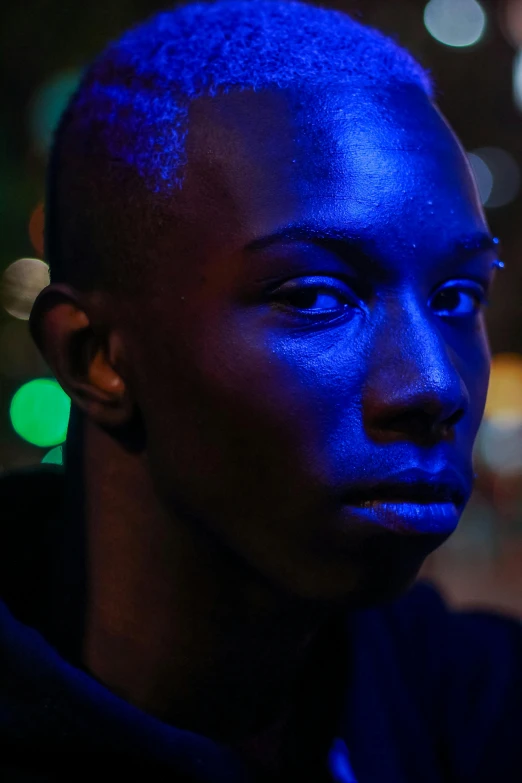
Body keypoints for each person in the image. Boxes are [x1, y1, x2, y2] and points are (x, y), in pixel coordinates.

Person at [1, 1, 521, 780]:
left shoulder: (471, 700)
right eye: (316, 297)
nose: (436, 384)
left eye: (456, 299)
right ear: (96, 356)